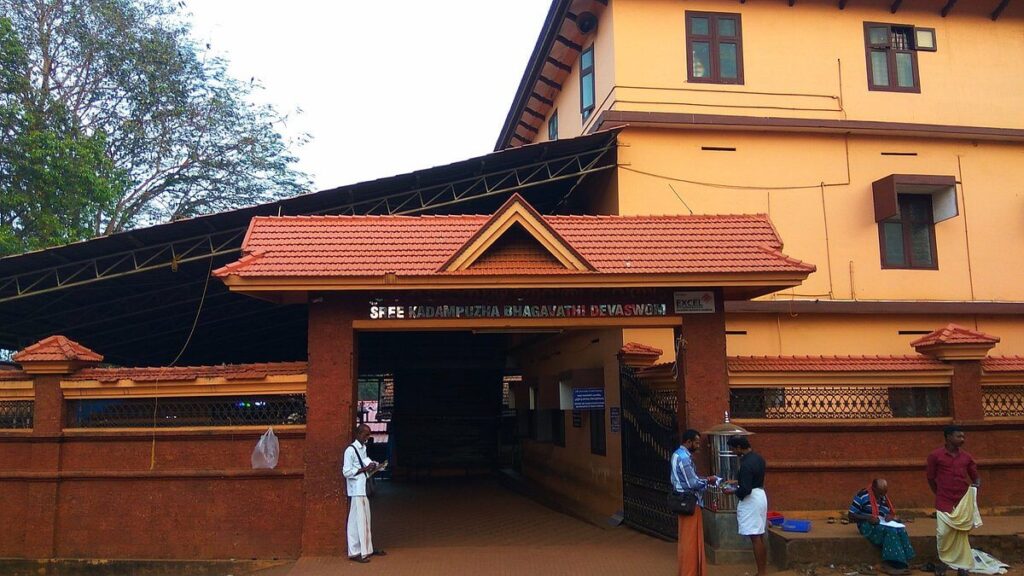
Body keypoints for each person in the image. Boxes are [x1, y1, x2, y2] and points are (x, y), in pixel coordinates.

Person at [926, 426, 981, 576]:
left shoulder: (967, 457)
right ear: (948, 437)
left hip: (962, 502)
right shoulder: (935, 456)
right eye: (959, 436)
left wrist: (976, 485)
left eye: (963, 437)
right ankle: (944, 564)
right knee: (943, 533)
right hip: (944, 500)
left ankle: (962, 567)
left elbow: (975, 476)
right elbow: (930, 478)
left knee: (961, 534)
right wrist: (939, 493)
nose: (962, 440)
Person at [670, 429, 720, 576]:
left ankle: (689, 570)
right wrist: (709, 480)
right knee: (691, 541)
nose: (698, 445)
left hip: (683, 500)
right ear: (688, 442)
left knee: (687, 539)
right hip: (691, 502)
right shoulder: (684, 458)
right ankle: (690, 572)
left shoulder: (676, 455)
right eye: (696, 442)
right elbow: (692, 483)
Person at [848, 478, 915, 575]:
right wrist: (868, 518)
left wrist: (890, 517)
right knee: (890, 532)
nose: (882, 496)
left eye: (884, 493)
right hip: (866, 524)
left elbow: (887, 513)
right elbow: (851, 515)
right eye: (879, 493)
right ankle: (890, 564)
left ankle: (903, 562)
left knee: (900, 530)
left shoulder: (883, 497)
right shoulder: (862, 495)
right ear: (873, 488)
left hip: (881, 522)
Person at [724, 435, 767, 576]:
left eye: (733, 449)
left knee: (755, 537)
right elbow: (752, 479)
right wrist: (736, 481)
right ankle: (762, 571)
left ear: (739, 448)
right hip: (760, 495)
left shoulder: (746, 464)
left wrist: (732, 491)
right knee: (759, 535)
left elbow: (746, 489)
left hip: (751, 500)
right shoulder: (758, 458)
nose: (733, 452)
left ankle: (761, 573)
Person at [342, 424, 387, 563]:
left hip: (362, 489)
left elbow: (366, 462)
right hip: (356, 490)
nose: (367, 438)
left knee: (363, 519)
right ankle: (357, 551)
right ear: (358, 434)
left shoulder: (363, 448)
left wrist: (374, 466)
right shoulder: (350, 450)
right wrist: (364, 469)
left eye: (369, 435)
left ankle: (366, 549)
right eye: (365, 435)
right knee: (358, 521)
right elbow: (346, 472)